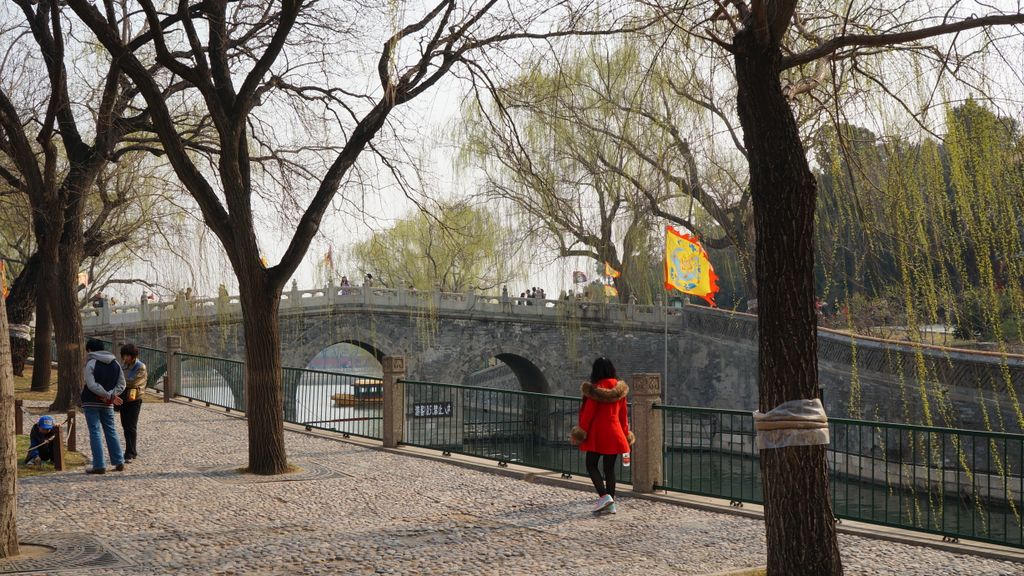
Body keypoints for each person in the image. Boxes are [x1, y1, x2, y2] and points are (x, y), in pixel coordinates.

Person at [570, 357, 634, 514]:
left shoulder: (594, 389)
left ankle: (604, 497)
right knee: (609, 469)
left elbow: (588, 415)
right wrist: (626, 434)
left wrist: (579, 434)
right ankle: (611, 503)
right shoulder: (620, 390)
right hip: (615, 431)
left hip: (598, 433)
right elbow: (623, 416)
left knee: (591, 465)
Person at [82, 338, 126, 474]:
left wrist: (106, 395)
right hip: (108, 404)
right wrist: (111, 395)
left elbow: (91, 385)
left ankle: (99, 465)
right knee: (111, 430)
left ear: (90, 350)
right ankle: (119, 461)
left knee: (95, 432)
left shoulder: (91, 363)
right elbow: (122, 384)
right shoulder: (116, 363)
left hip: (91, 401)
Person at [117, 343, 148, 462]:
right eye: (124, 355)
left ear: (133, 355)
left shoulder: (140, 367)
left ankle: (130, 452)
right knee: (125, 425)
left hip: (134, 398)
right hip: (123, 397)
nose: (125, 358)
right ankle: (130, 450)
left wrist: (122, 382)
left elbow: (135, 382)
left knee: (131, 425)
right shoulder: (123, 366)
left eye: (127, 355)